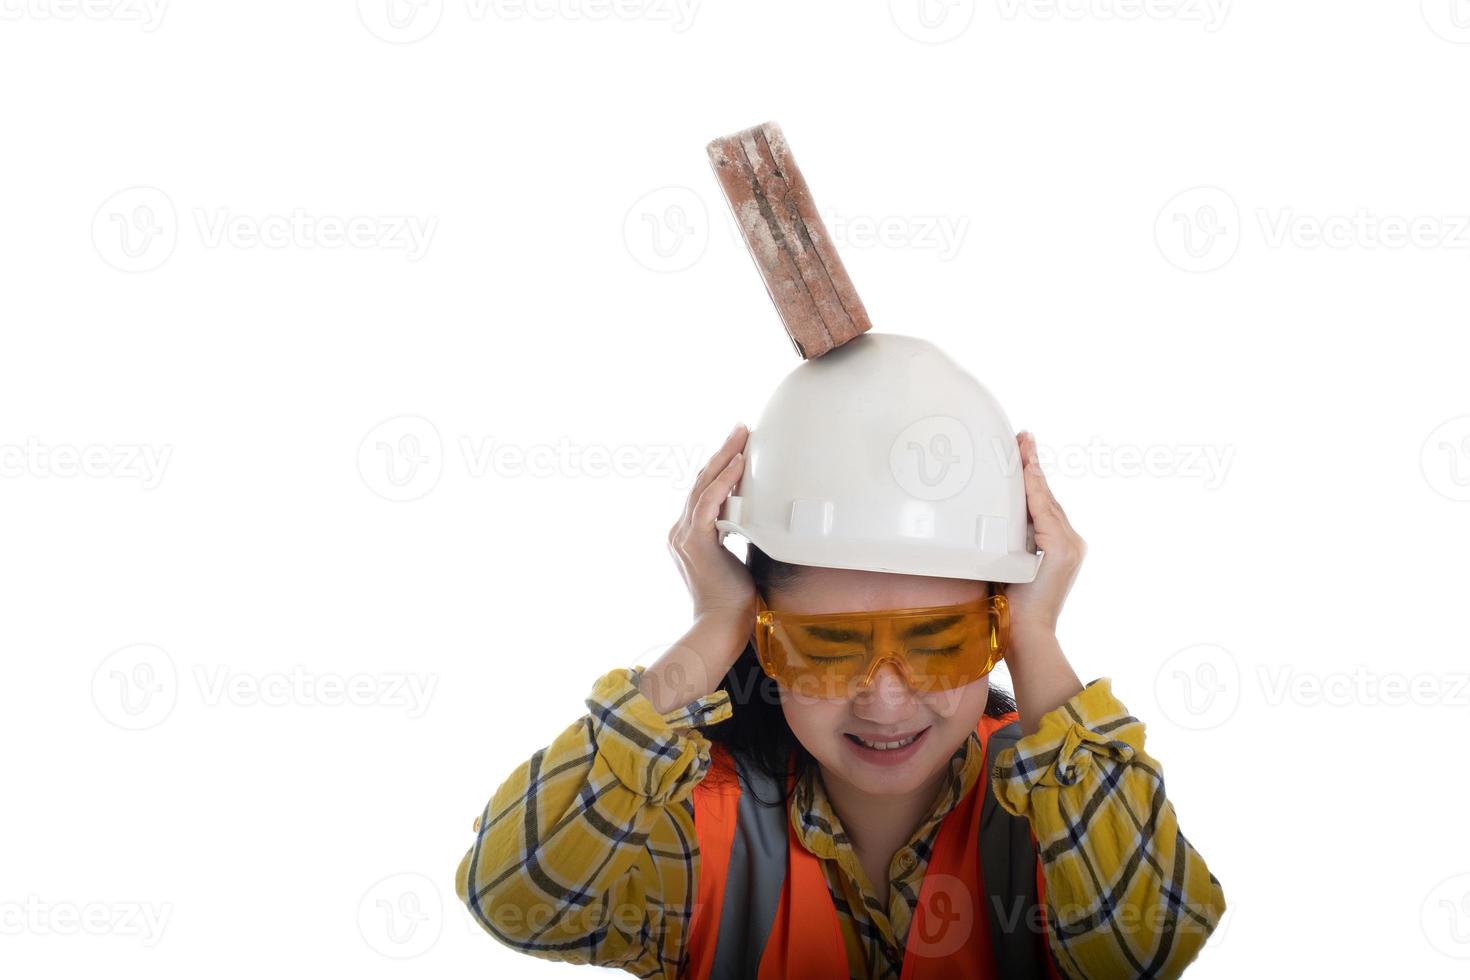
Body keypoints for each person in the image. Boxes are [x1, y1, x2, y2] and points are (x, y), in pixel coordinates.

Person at [455, 335, 1226, 978]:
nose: (885, 701)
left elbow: (1149, 949)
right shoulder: (696, 832)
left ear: (995, 629)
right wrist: (715, 623)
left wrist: (1037, 640)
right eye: (827, 648)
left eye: (936, 641)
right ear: (764, 636)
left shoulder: (1056, 826)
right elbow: (513, 892)